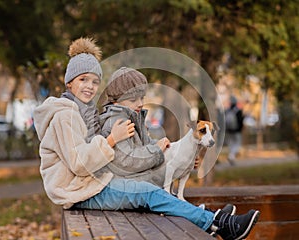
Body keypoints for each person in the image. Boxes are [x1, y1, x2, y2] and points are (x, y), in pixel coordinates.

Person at [33, 37, 260, 240]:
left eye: (94, 81)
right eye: (83, 80)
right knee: (146, 192)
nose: (90, 87)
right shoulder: (65, 115)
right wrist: (112, 140)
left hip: (92, 182)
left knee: (150, 187)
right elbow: (78, 164)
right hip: (77, 191)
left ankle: (212, 218)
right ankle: (218, 223)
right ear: (69, 82)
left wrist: (183, 160)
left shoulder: (87, 112)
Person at [225, 95, 244, 165]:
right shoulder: (238, 111)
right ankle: (231, 156)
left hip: (229, 131)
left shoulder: (227, 111)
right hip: (236, 131)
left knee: (231, 145)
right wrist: (240, 129)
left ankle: (231, 157)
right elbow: (241, 121)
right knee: (237, 145)